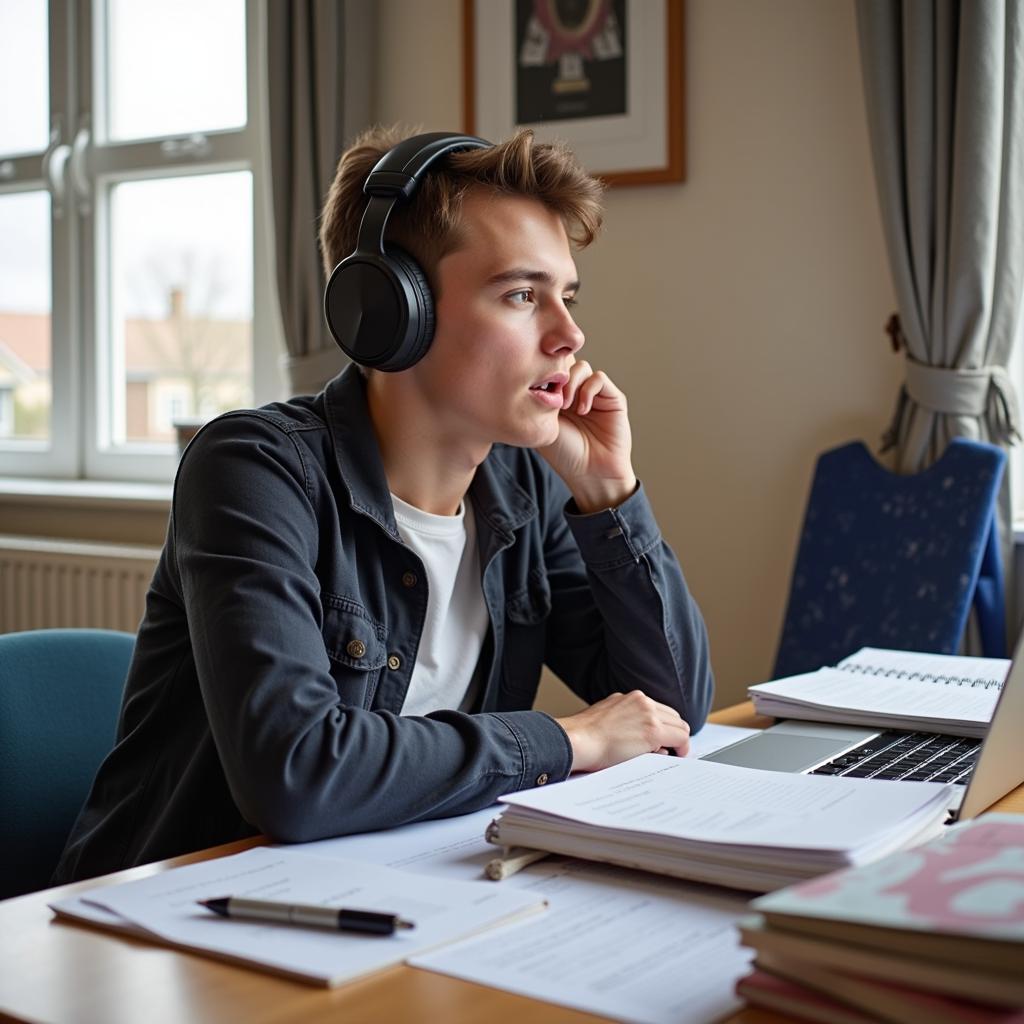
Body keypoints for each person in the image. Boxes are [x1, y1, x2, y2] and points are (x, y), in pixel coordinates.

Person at [54, 126, 713, 884]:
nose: (570, 334)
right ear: (392, 312)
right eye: (522, 295)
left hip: (386, 892)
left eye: (566, 296)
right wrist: (565, 741)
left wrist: (607, 493)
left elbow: (669, 711)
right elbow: (297, 774)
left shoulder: (521, 486)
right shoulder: (255, 471)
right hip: (172, 919)